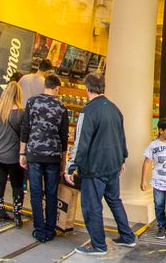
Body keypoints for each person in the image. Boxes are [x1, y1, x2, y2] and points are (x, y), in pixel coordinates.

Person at [65, 72, 138, 255]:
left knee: (91, 206)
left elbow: (81, 141)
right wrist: (122, 158)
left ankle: (98, 245)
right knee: (114, 201)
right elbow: (121, 136)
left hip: (94, 168)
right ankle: (128, 237)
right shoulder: (115, 109)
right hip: (113, 165)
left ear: (86, 88)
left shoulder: (88, 111)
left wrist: (70, 166)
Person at [20, 73, 69, 243]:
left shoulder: (32, 102)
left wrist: (22, 153)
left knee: (35, 192)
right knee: (51, 192)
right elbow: (64, 137)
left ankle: (39, 229)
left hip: (33, 153)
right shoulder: (62, 107)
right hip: (53, 156)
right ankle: (50, 228)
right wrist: (64, 161)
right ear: (56, 88)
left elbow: (25, 129)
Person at [0, 80, 25, 226]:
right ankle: (17, 215)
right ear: (18, 95)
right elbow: (23, 136)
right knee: (17, 185)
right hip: (13, 155)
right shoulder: (21, 113)